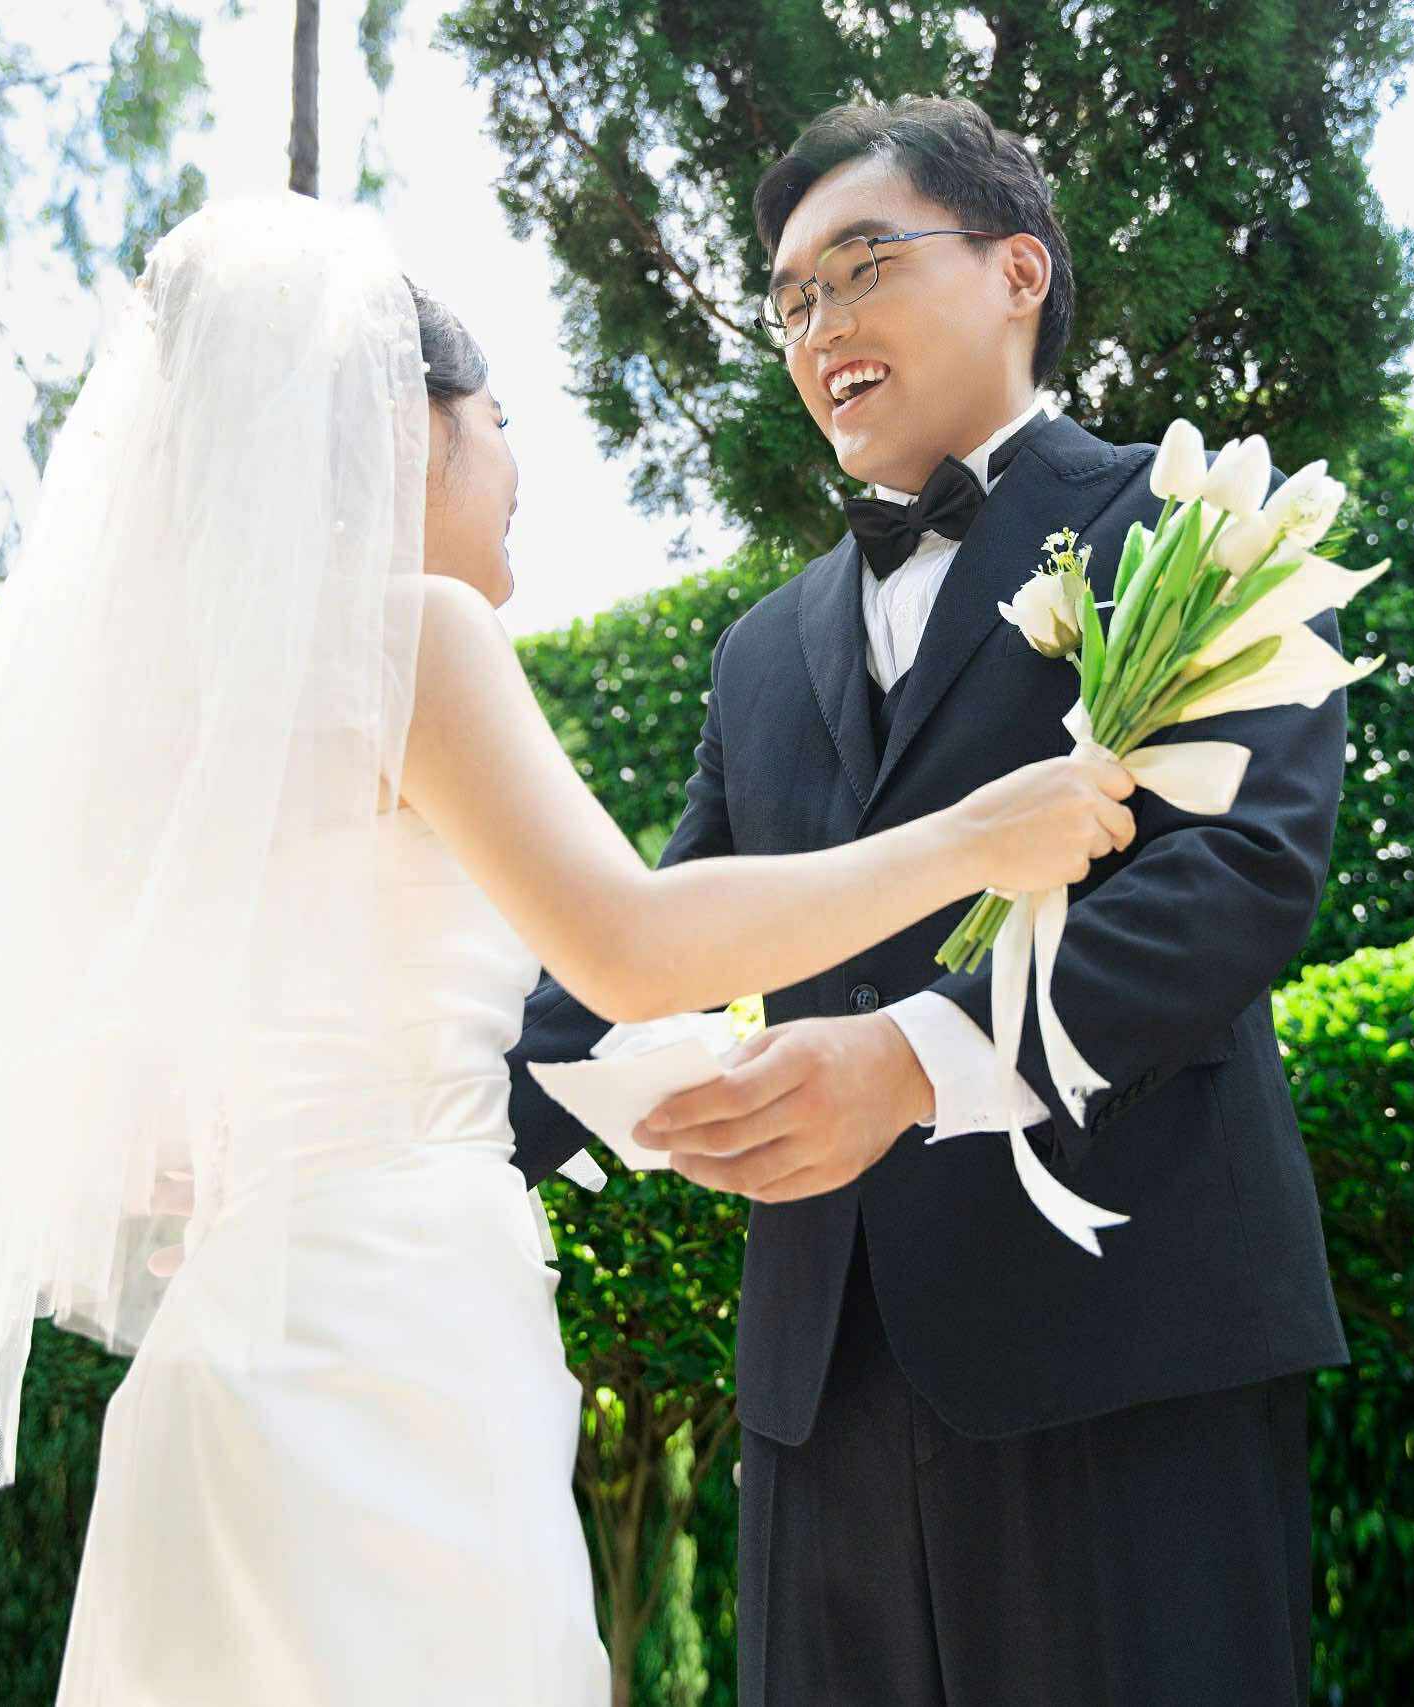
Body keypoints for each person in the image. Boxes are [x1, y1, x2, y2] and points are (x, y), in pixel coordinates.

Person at [0, 189, 1133, 1703]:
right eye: (499, 424)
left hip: (230, 1338)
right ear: (410, 431)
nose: (513, 471)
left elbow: (169, 1122)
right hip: (389, 1333)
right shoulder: (414, 635)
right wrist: (974, 838)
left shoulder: (190, 737)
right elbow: (629, 946)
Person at [506, 95, 1353, 1705]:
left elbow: (1242, 873)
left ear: (1018, 269)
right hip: (817, 1385)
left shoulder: (1194, 524)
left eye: (862, 265)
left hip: (1126, 1348)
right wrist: (410, 1151)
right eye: (790, 300)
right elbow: (646, 943)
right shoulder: (758, 652)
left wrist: (911, 1061)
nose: (819, 325)